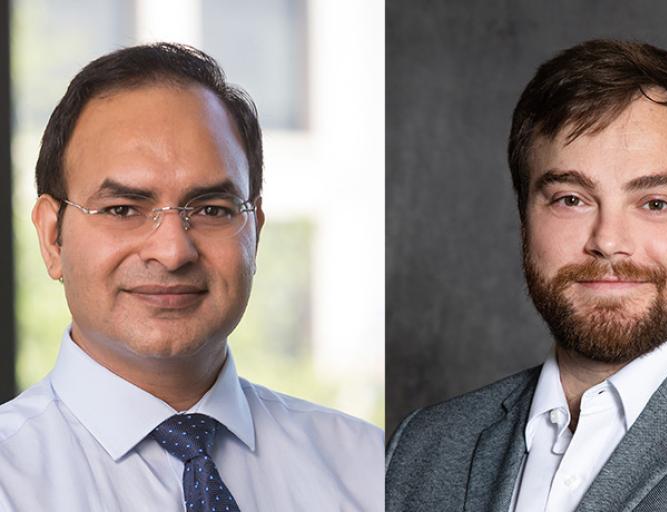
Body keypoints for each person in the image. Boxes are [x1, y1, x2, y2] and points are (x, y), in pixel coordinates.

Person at [386, 39, 667, 512]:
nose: (608, 240)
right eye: (571, 199)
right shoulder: (420, 451)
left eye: (655, 204)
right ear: (525, 217)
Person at [0, 43, 383, 511]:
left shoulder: (370, 468)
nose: (173, 251)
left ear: (255, 233)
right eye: (123, 209)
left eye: (211, 209)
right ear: (52, 237)